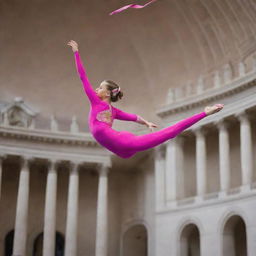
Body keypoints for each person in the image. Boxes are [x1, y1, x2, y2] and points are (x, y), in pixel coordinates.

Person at [67, 40, 224, 158]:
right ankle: (204, 113)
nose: (96, 89)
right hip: (122, 147)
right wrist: (146, 122)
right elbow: (83, 78)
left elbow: (133, 117)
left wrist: (76, 53)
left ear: (107, 93)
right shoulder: (99, 104)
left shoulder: (111, 110)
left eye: (100, 87)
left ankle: (205, 113)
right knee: (164, 135)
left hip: (125, 143)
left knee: (169, 133)